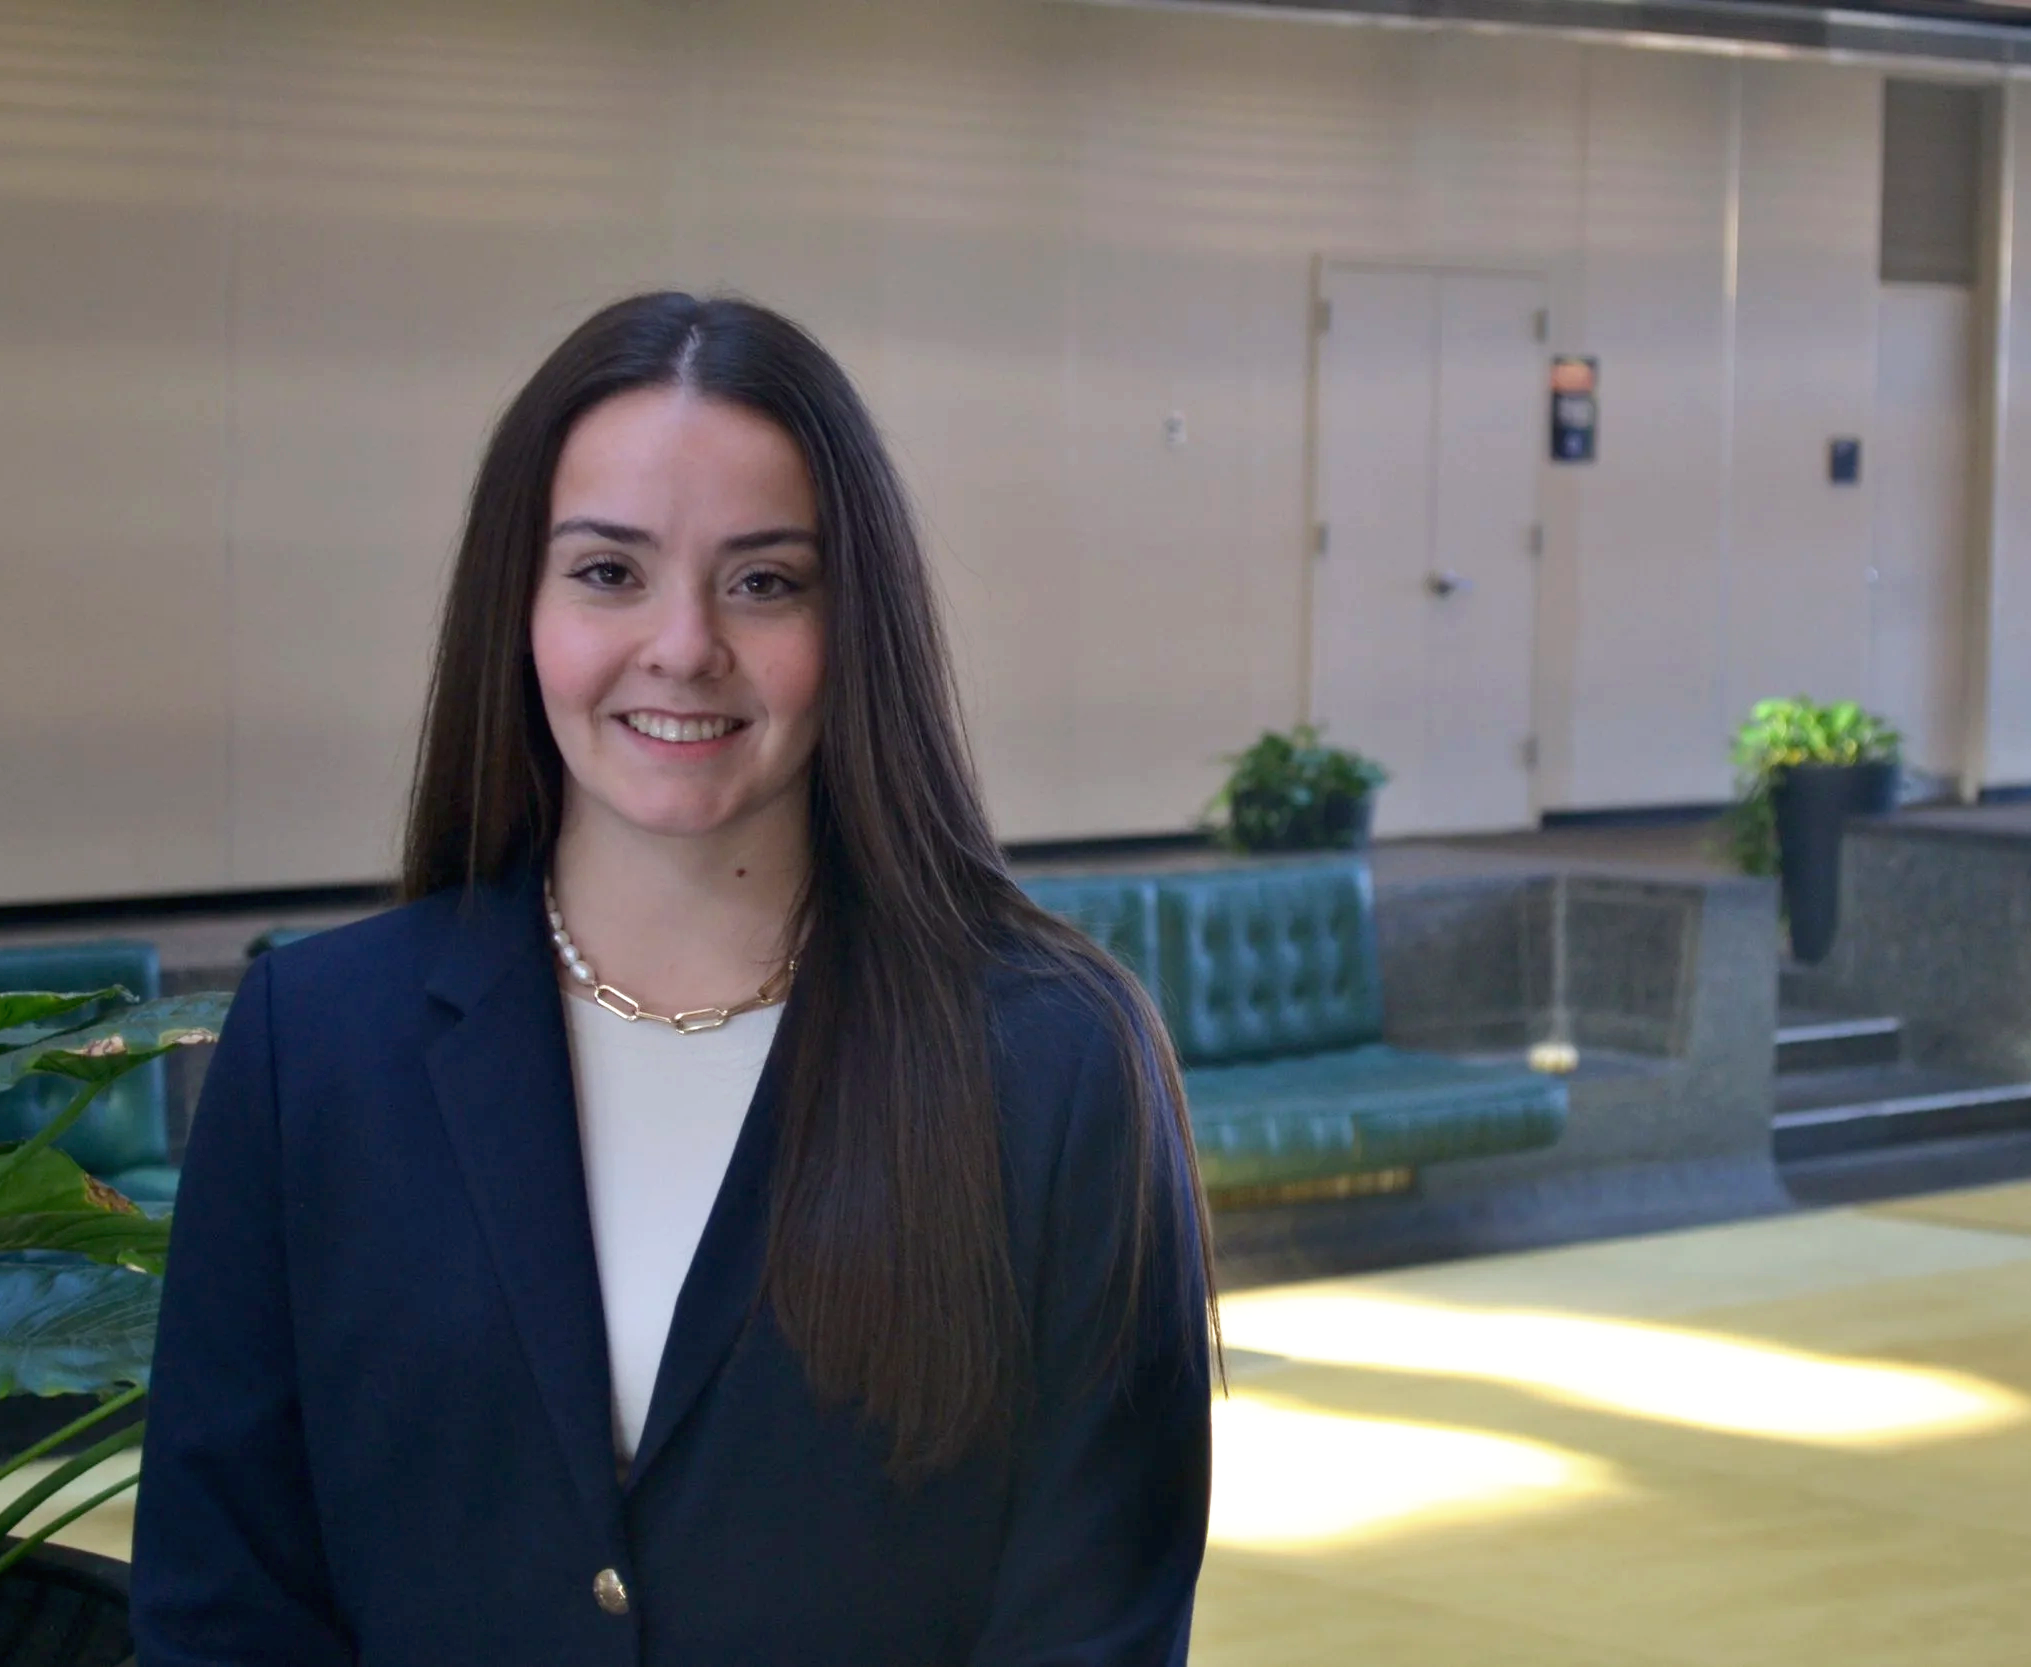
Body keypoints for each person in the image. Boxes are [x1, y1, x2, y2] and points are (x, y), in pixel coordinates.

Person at [131, 293, 1217, 1665]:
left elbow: (1093, 1627)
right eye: (608, 572)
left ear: (855, 622)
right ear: (517, 609)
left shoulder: (1054, 1059)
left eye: (764, 580)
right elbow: (222, 1605)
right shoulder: (315, 1046)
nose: (685, 643)